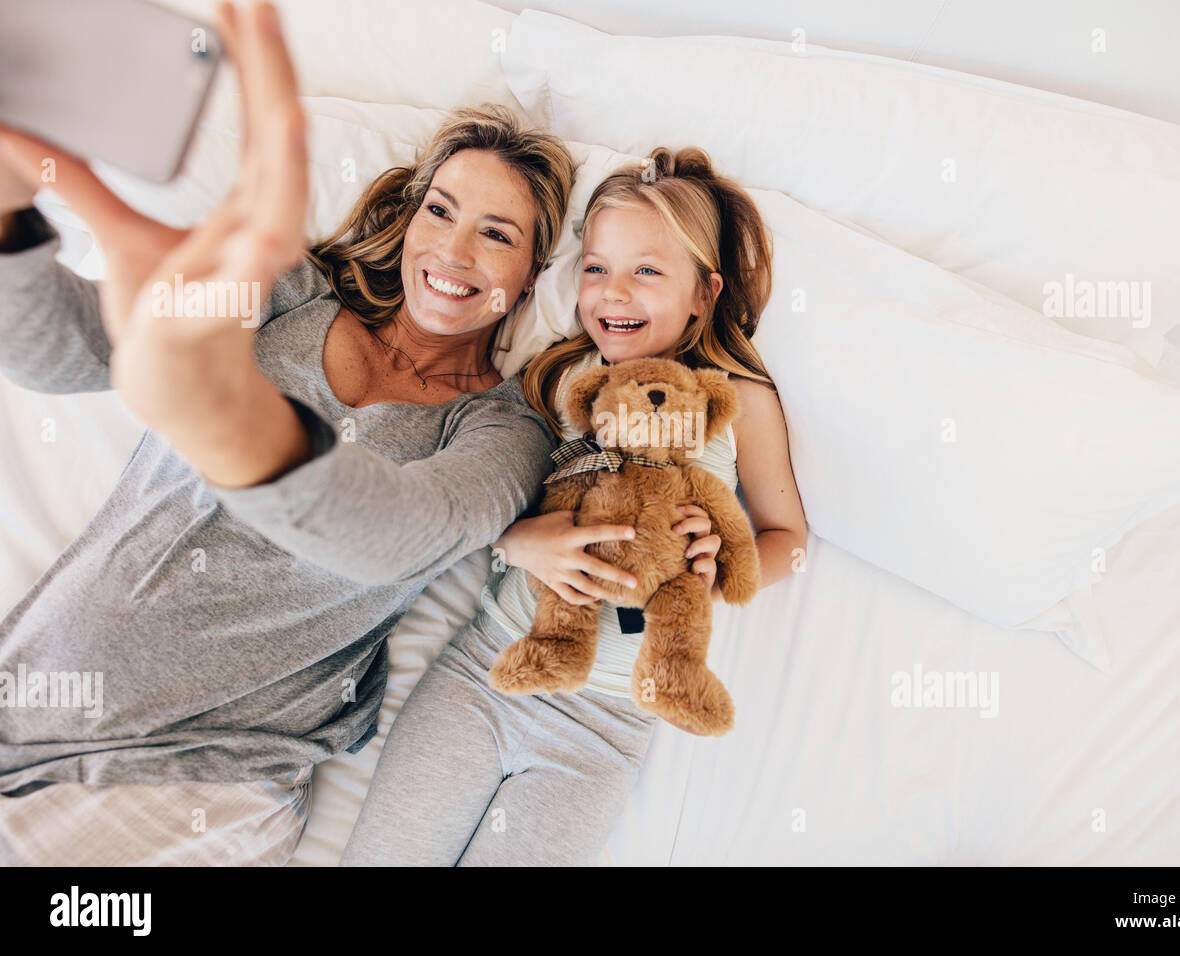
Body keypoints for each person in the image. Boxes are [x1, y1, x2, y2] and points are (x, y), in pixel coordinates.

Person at [0, 2, 594, 865]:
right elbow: (67, 349)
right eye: (441, 211)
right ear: (409, 215)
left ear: (532, 274)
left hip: (201, 784)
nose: (455, 251)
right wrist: (12, 218)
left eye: (496, 234)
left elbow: (401, 535)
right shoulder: (287, 295)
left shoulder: (504, 431)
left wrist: (222, 420)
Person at [340, 145, 809, 866]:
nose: (613, 294)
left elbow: (789, 538)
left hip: (607, 723)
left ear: (704, 293)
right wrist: (517, 541)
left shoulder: (738, 399)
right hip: (488, 671)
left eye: (646, 272)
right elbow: (484, 493)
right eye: (595, 269)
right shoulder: (560, 377)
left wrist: (719, 567)